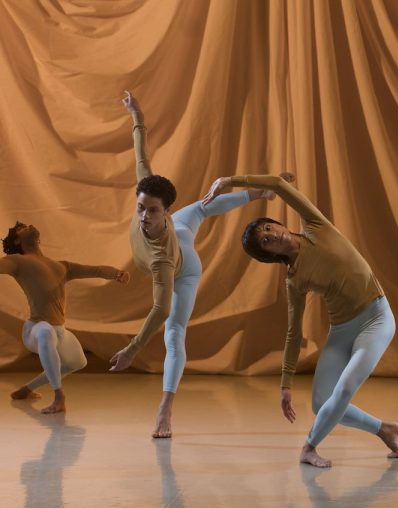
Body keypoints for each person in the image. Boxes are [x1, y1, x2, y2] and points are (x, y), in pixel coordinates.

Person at [203, 173, 398, 468]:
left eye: (269, 228)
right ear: (269, 255)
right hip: (342, 330)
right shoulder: (294, 280)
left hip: (376, 318)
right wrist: (285, 384)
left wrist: (228, 181)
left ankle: (309, 447)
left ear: (278, 223)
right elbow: (293, 333)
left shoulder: (316, 226)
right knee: (321, 404)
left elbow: (278, 184)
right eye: (266, 241)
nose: (272, 235)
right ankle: (384, 429)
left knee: (344, 390)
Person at [109, 92, 274, 438]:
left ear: (165, 210)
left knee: (173, 333)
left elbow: (161, 309)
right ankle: (258, 193)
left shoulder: (163, 260)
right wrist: (137, 114)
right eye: (141, 207)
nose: (144, 216)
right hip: (181, 226)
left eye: (153, 211)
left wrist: (133, 349)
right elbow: (141, 154)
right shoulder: (148, 196)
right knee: (201, 207)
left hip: (185, 267)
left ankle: (165, 408)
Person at [1, 222, 129, 413]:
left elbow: (95, 270)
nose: (29, 225)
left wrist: (117, 274)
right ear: (18, 241)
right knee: (46, 332)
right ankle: (59, 397)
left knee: (78, 362)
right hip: (35, 329)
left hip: (59, 330)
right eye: (22, 228)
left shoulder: (61, 266)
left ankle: (26, 390)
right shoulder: (17, 261)